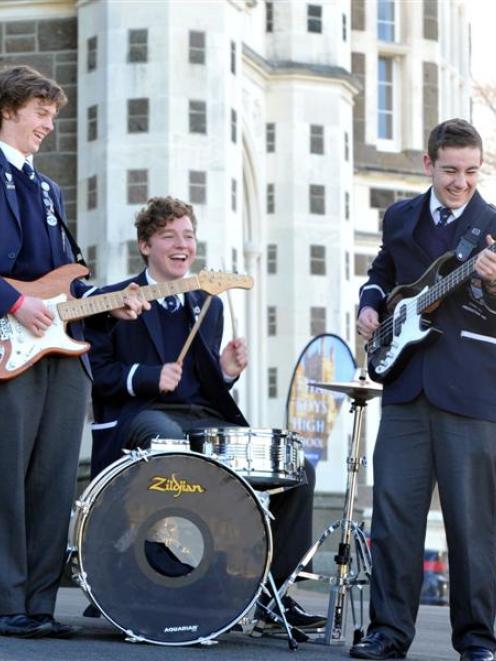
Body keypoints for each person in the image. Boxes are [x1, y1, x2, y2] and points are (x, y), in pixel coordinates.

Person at [85, 195, 326, 630]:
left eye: (189, 236)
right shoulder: (114, 299)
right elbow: (98, 374)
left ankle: (273, 595)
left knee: (297, 469)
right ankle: (162, 580)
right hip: (139, 415)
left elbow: (204, 384)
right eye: (168, 236)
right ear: (145, 245)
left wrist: (227, 372)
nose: (182, 245)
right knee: (172, 444)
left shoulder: (207, 303)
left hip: (198, 417)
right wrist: (146, 376)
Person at [0, 65, 146, 639]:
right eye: (41, 113)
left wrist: (111, 301)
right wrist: (12, 302)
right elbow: (22, 287)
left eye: (52, 116)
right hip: (11, 344)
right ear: (8, 109)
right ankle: (5, 600)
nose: (48, 126)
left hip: (60, 353)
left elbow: (69, 284)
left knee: (54, 478)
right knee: (7, 475)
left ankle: (38, 604)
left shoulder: (46, 187)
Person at [350, 118, 496, 661]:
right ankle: (388, 633)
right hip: (406, 387)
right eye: (451, 170)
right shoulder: (400, 216)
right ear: (428, 164)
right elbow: (382, 270)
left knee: (472, 527)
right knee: (394, 520)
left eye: (472, 172)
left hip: (472, 393)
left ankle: (478, 640)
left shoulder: (492, 226)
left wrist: (493, 282)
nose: (461, 182)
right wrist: (369, 303)